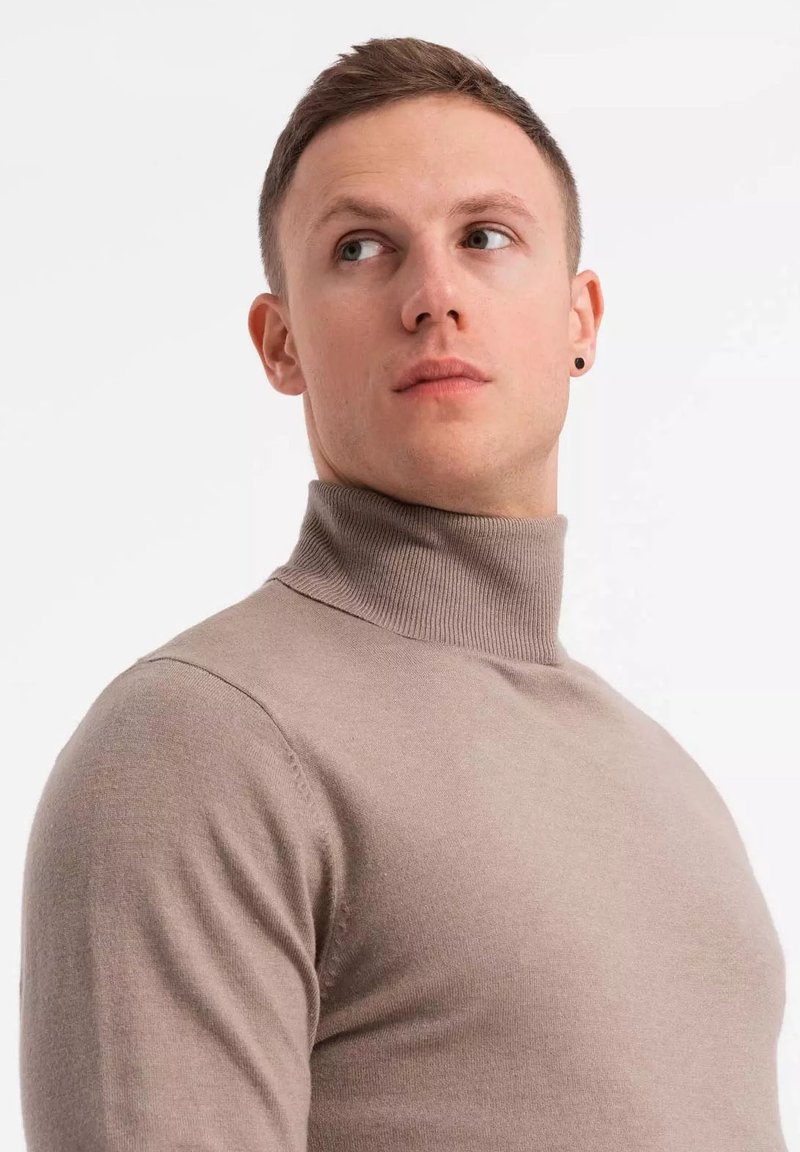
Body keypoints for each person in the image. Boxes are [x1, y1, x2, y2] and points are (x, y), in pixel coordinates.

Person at [19, 35, 788, 1152]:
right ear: (280, 342)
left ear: (580, 318)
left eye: (485, 237)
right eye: (360, 248)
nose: (433, 297)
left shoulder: (667, 779)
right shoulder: (200, 743)